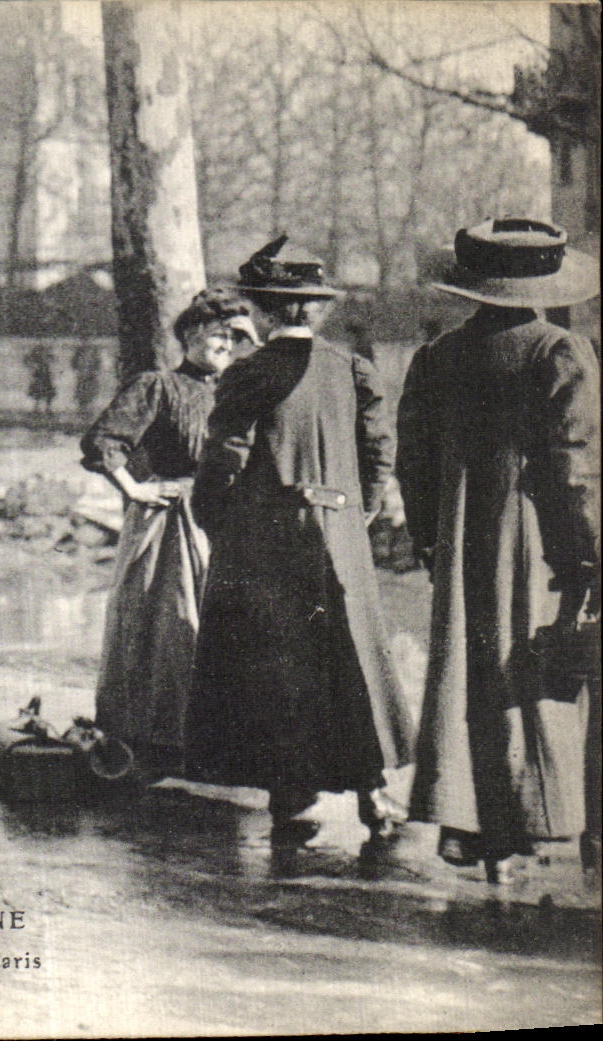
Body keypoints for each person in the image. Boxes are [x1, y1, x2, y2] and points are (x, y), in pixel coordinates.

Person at [187, 236, 414, 846]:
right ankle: (374, 795)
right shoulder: (351, 368)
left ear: (262, 310)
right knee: (348, 656)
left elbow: (225, 460)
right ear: (313, 309)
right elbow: (378, 452)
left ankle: (294, 801)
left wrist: (215, 519)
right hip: (339, 536)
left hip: (268, 538)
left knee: (277, 663)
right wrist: (356, 516)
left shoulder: (249, 374)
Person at [397, 218, 601, 879]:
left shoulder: (436, 358)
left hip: (460, 535)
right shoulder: (558, 351)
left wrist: (433, 540)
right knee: (531, 676)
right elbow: (576, 464)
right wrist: (589, 554)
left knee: (467, 668)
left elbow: (414, 463)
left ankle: (470, 825)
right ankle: (535, 821)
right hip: (538, 535)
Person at [81, 288, 257, 774]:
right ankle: (159, 738)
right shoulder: (159, 387)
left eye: (232, 334)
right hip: (173, 522)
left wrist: (252, 339)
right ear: (188, 335)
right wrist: (134, 489)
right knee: (172, 625)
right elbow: (104, 441)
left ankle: (222, 737)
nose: (223, 342)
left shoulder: (243, 389)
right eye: (212, 331)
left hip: (229, 520)